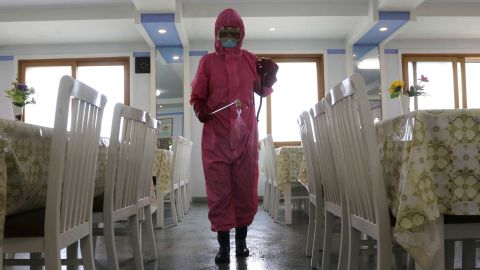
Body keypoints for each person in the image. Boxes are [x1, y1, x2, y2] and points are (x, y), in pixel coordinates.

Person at [190, 8, 278, 264]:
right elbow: (197, 95)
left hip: (245, 139)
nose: (229, 37)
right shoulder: (207, 62)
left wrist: (269, 75)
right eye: (224, 33)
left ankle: (241, 244)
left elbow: (261, 90)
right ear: (217, 34)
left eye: (234, 33)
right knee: (219, 194)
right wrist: (200, 109)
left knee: (244, 191)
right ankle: (223, 248)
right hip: (216, 139)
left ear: (241, 35)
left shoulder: (249, 60)